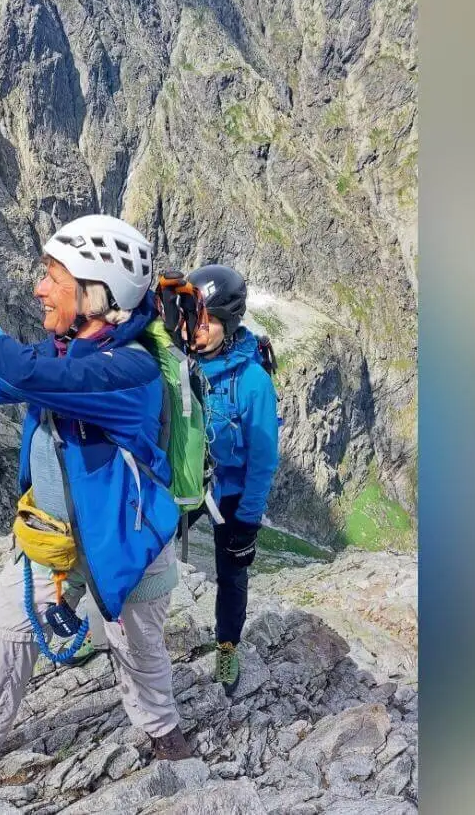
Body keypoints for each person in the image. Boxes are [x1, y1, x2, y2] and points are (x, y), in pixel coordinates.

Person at [0, 214, 193, 805]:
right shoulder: (66, 354)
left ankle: (161, 728)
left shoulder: (128, 372)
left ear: (96, 293)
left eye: (52, 277)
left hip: (125, 548)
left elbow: (16, 370)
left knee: (138, 650)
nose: (38, 289)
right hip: (50, 544)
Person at [183, 264, 280, 696]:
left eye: (208, 322)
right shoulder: (176, 362)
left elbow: (263, 459)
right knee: (145, 553)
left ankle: (227, 648)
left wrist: (248, 521)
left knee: (232, 575)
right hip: (184, 483)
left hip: (232, 492)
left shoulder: (253, 381)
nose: (197, 330)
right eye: (191, 318)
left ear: (230, 323)